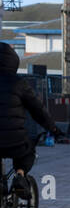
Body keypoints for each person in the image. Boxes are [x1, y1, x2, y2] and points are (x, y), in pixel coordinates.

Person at [0, 44, 63, 186]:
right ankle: (20, 175)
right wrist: (53, 129)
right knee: (28, 149)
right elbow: (38, 109)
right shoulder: (19, 84)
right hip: (14, 140)